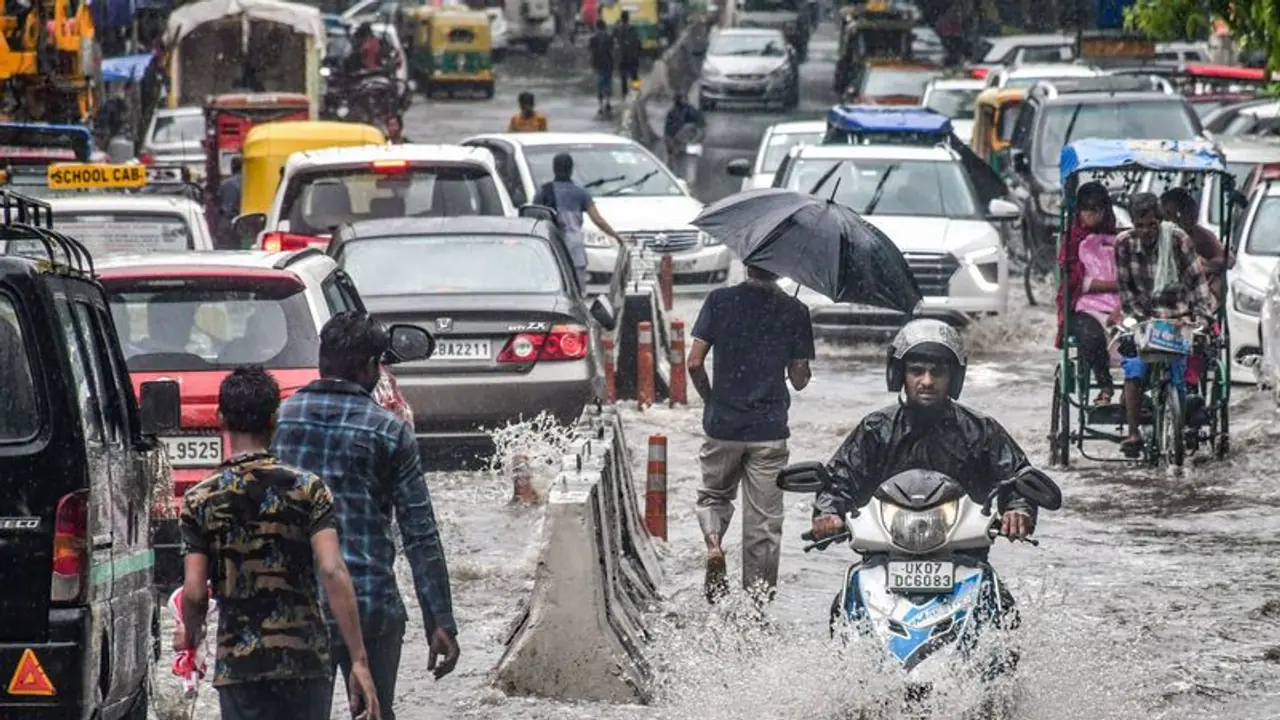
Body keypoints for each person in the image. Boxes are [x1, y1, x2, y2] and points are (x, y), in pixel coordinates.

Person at [272, 313, 460, 720]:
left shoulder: (282, 421)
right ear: (369, 367)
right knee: (374, 712)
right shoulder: (389, 432)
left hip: (298, 608)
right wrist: (440, 620)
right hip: (370, 604)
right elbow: (419, 532)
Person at [176, 366, 380, 720]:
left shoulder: (200, 499)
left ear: (221, 418)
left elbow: (194, 593)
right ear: (275, 419)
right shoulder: (308, 489)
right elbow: (332, 570)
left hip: (240, 668)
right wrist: (358, 660)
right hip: (304, 662)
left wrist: (192, 639)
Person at [809, 320, 1040, 549]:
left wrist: (1017, 510)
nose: (927, 381)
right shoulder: (876, 429)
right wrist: (828, 512)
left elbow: (1017, 477)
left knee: (996, 588)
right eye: (917, 371)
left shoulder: (981, 430)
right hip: (884, 550)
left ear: (953, 378)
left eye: (937, 373)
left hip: (964, 551)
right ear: (900, 374)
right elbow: (839, 480)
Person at [687, 264, 814, 604]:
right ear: (779, 270)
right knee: (764, 525)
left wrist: (710, 400)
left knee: (714, 496)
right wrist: (794, 359)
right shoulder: (795, 310)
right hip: (769, 431)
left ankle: (714, 545)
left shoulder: (718, 300)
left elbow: (694, 363)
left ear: (747, 263)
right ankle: (756, 607)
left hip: (722, 425)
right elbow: (799, 378)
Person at [1114, 192, 1218, 455]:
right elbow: (1126, 293)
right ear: (1133, 224)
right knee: (1135, 369)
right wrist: (1140, 319)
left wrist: (1203, 317)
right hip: (1142, 319)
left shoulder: (1177, 239)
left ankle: (1180, 419)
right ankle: (1134, 433)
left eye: (1152, 225)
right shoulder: (1123, 245)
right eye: (1141, 225)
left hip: (1176, 315)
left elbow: (1197, 283)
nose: (1147, 231)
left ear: (1160, 221)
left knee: (1178, 373)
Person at [1065, 182, 1123, 407]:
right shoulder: (1071, 241)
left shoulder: (1119, 240)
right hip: (1085, 308)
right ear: (1078, 210)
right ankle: (1105, 387)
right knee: (1092, 337)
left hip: (1122, 306)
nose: (1091, 214)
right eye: (1086, 208)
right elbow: (1076, 282)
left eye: (1097, 208)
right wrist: (1116, 285)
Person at [531, 152, 623, 291]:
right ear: (571, 169)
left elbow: (533, 217)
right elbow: (598, 219)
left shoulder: (543, 191)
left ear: (554, 168)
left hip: (550, 245)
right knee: (578, 290)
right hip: (574, 247)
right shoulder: (580, 192)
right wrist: (616, 236)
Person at [1160, 187, 1233, 301]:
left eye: (1175, 215)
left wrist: (1207, 265)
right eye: (1167, 215)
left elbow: (1228, 259)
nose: (1170, 220)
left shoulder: (1199, 234)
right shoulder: (1156, 233)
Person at [663, 92, 704, 167]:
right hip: (678, 143)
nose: (684, 101)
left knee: (688, 165)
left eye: (685, 98)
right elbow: (668, 130)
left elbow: (700, 128)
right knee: (679, 165)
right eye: (683, 99)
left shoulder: (691, 111)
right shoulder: (673, 112)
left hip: (687, 143)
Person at [588, 19, 616, 116]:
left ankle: (600, 106)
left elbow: (591, 53)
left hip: (598, 64)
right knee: (607, 84)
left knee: (599, 85)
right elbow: (612, 51)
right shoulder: (609, 37)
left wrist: (591, 64)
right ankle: (608, 102)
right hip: (608, 64)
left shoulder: (593, 38)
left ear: (597, 27)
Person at [614, 10, 642, 100]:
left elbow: (613, 41)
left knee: (623, 78)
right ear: (628, 18)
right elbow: (638, 43)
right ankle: (636, 94)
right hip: (633, 57)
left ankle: (624, 96)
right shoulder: (633, 29)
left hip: (622, 57)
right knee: (635, 76)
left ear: (621, 18)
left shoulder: (617, 29)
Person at [219, 156, 243, 243]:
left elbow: (224, 207)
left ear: (232, 167)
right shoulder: (250, 181)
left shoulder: (226, 184)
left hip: (230, 223)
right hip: (248, 223)